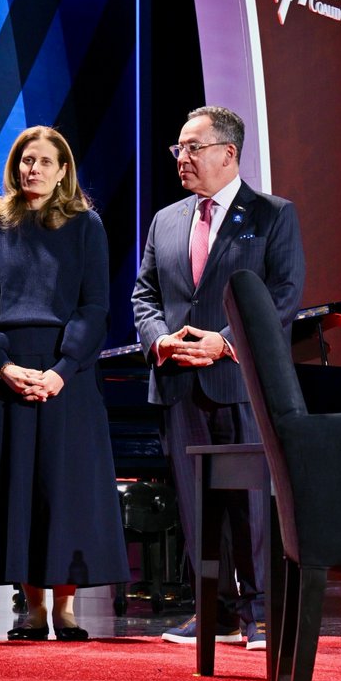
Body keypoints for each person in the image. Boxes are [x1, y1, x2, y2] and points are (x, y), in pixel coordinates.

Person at [131, 106, 305, 650]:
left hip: (239, 379)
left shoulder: (272, 214)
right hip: (179, 383)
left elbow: (283, 295)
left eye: (192, 147)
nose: (181, 158)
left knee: (250, 504)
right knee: (194, 503)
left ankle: (259, 613)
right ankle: (215, 612)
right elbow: (145, 295)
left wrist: (225, 340)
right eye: (178, 149)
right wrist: (161, 339)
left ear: (228, 154)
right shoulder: (167, 219)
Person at [0, 126, 130, 641]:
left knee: (66, 490)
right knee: (21, 490)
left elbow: (94, 307)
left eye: (43, 161)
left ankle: (66, 610)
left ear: (63, 171)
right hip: (8, 371)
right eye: (24, 160)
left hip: (68, 374)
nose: (32, 168)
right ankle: (32, 609)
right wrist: (4, 366)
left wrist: (61, 371)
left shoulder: (87, 227)